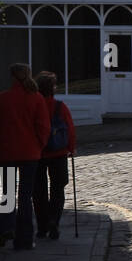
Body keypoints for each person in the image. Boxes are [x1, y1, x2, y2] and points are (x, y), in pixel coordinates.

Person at [0, 63, 49, 250]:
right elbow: (43, 127)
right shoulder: (36, 99)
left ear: (12, 77)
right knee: (25, 196)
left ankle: (5, 230)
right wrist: (39, 146)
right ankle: (25, 238)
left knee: (7, 194)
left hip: (7, 152)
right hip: (30, 153)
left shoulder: (2, 99)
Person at [34, 71, 77, 239]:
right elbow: (70, 128)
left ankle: (41, 226)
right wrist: (71, 148)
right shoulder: (60, 106)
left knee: (39, 191)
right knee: (58, 189)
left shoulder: (35, 106)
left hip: (38, 153)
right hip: (58, 152)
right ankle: (54, 221)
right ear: (52, 88)